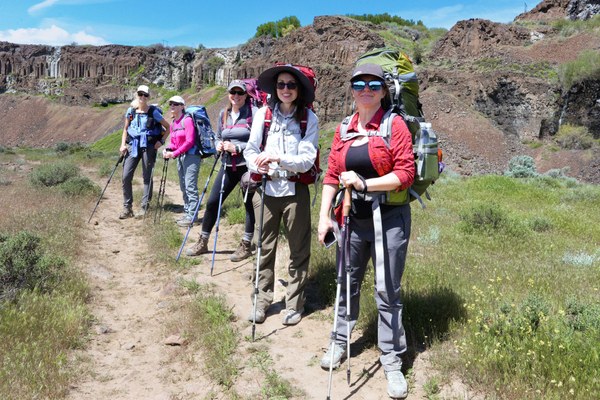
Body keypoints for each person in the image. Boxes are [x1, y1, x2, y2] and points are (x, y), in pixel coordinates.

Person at [317, 64, 415, 399]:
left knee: (387, 290)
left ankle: (391, 360)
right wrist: (323, 217)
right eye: (359, 84)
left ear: (384, 91)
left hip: (389, 220)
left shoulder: (394, 124)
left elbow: (405, 173)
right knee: (347, 282)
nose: (366, 90)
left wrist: (364, 184)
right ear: (352, 89)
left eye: (374, 84)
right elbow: (332, 174)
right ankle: (339, 341)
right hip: (350, 219)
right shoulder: (344, 128)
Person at [243, 65, 319, 326]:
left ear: (299, 89)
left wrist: (277, 158)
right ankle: (261, 300)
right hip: (266, 188)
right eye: (281, 85)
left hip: (295, 190)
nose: (286, 89)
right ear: (274, 89)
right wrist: (257, 166)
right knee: (264, 247)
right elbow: (251, 150)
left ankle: (294, 304)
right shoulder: (262, 115)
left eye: (291, 85)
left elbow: (306, 160)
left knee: (299, 249)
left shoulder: (309, 119)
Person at [186, 80, 257, 261]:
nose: (236, 96)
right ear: (228, 94)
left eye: (240, 93)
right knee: (212, 202)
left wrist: (238, 148)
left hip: (247, 167)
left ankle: (246, 245)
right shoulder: (223, 114)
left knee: (248, 205)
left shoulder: (254, 113)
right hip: (227, 165)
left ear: (246, 95)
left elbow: (258, 141)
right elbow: (218, 136)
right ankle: (203, 241)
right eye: (233, 92)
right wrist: (218, 144)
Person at [119, 85, 169, 219]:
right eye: (140, 94)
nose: (142, 97)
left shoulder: (153, 112)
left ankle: (144, 207)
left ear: (148, 97)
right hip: (132, 146)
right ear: (137, 95)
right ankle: (127, 208)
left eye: (145, 95)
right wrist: (123, 145)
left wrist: (161, 142)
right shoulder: (131, 111)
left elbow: (168, 127)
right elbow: (125, 129)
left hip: (149, 146)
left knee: (147, 177)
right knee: (126, 177)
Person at [162, 95, 201, 227]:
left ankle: (193, 217)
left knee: (190, 186)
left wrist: (174, 153)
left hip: (192, 156)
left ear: (182, 106)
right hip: (181, 156)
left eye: (175, 104)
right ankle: (188, 212)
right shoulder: (173, 123)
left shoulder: (187, 120)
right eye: (171, 104)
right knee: (183, 186)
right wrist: (168, 149)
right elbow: (174, 142)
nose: (172, 106)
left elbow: (190, 141)